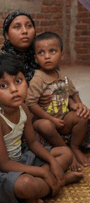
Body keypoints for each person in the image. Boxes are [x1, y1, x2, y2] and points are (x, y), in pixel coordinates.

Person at [0, 53, 83, 203]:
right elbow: (4, 164)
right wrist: (42, 172)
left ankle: (40, 189)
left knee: (65, 153)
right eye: (3, 86)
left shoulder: (23, 108)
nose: (14, 89)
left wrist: (52, 161)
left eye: (18, 81)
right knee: (26, 184)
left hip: (20, 156)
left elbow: (32, 143)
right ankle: (60, 181)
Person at [25, 32, 90, 172]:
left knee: (82, 116)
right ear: (36, 59)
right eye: (41, 53)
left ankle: (75, 147)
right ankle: (66, 150)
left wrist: (78, 106)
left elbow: (73, 93)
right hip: (43, 120)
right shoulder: (38, 79)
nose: (47, 56)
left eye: (52, 51)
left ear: (62, 55)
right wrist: (50, 118)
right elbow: (31, 103)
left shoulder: (64, 77)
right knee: (46, 125)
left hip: (63, 118)